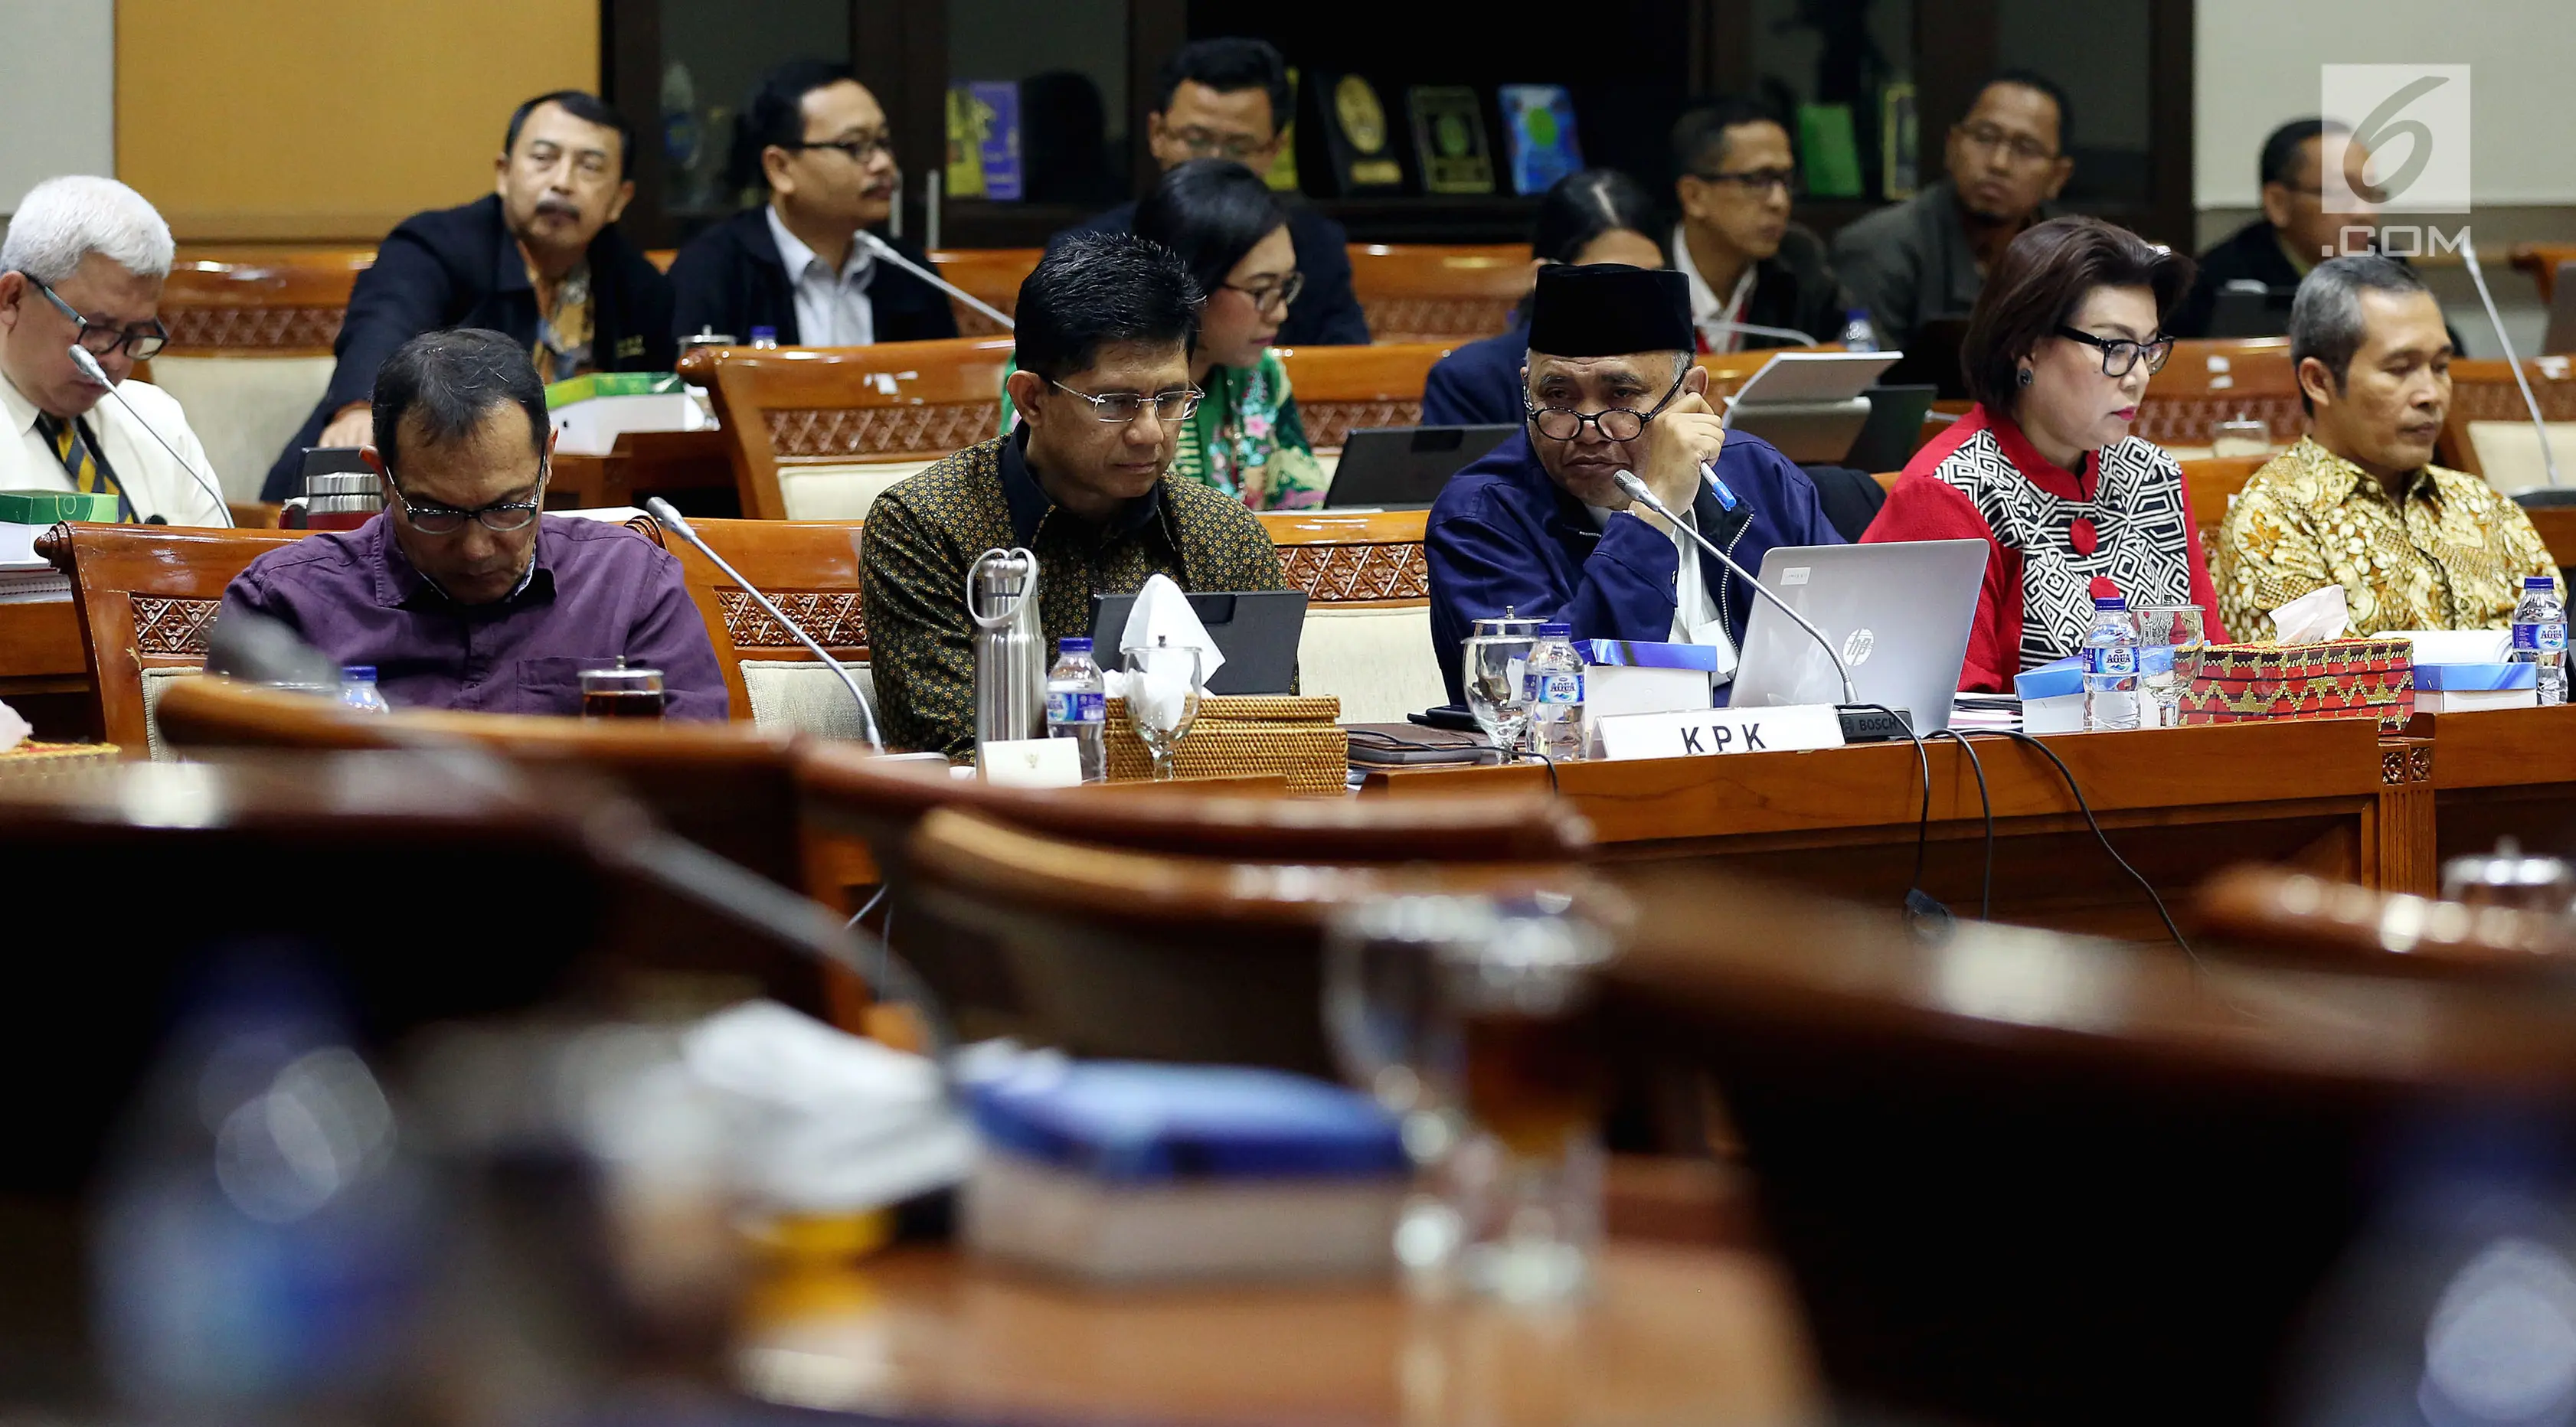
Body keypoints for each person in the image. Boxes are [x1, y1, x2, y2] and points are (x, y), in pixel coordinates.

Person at [860, 233, 1290, 759]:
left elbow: (1276, 731)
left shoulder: (1224, 535)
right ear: (1032, 399)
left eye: (1172, 399)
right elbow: (953, 750)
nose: (1150, 433)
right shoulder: (927, 527)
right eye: (1115, 402)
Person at [220, 330, 727, 718]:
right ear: (383, 476)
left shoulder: (630, 586)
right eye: (437, 513)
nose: (477, 549)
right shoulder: (285, 604)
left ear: (547, 461)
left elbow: (701, 790)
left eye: (507, 507)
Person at [1426, 263, 1842, 706]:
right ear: (1527, 388)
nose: (1588, 428)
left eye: (1621, 396)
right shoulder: (1479, 518)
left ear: (1689, 395)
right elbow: (1546, 704)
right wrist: (1651, 512)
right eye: (1558, 397)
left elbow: (1851, 635)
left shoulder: (1758, 475)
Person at [1863, 217, 2223, 691]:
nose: (2138, 376)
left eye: (2148, 347)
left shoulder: (2153, 475)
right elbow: (1955, 726)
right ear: (2026, 348)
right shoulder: (1949, 493)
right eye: (2115, 346)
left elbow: (2212, 668)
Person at [262, 91, 675, 500]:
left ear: (620, 199)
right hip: (430, 491)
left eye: (589, 167)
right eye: (543, 159)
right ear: (503, 172)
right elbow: (383, 324)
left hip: (568, 500)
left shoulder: (639, 287)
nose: (562, 183)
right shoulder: (435, 246)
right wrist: (357, 409)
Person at [2217, 256, 2558, 640]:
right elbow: (2315, 689)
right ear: (2318, 381)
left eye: (2441, 367)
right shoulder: (2273, 519)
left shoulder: (2483, 505)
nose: (2431, 394)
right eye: (2400, 369)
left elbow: (2556, 659)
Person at [1010, 160, 1324, 510]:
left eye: (1286, 287)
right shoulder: (1062, 364)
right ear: (1193, 283)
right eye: (1261, 290)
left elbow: (1306, 506)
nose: (1280, 311)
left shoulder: (1261, 371)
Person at [1050, 38, 1369, 346]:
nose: (1214, 162)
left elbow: (1347, 370)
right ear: (1157, 135)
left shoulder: (1316, 249)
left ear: (1274, 149)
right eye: (1197, 140)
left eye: (1239, 146)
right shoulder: (1085, 253)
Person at [666, 60, 957, 349]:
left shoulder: (908, 271)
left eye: (883, 142)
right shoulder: (713, 272)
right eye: (854, 147)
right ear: (780, 168)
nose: (883, 164)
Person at [0, 176, 224, 526]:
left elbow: (222, 574)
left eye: (136, 333)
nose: (117, 361)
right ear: (11, 298)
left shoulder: (157, 422)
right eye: (96, 329)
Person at [1832, 71, 2073, 355]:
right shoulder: (1879, 248)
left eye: (2026, 148)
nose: (1999, 163)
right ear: (1952, 146)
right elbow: (1871, 380)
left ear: (2058, 176)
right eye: (1985, 137)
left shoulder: (2071, 254)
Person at [1421, 169, 1666, 428]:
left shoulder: (1668, 369)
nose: (1640, 301)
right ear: (1544, 277)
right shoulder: (1469, 381)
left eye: (1655, 280)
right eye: (1613, 280)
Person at [1669, 96, 1865, 353]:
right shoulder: (1643, 272)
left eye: (1786, 180)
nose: (1779, 202)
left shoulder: (1797, 261)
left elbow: (1861, 354)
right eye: (1757, 180)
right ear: (1693, 196)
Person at [2169, 119, 2377, 339]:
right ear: (2278, 203)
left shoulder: (2389, 269)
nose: (2363, 213)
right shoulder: (2214, 285)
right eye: (2338, 193)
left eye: (2371, 193)